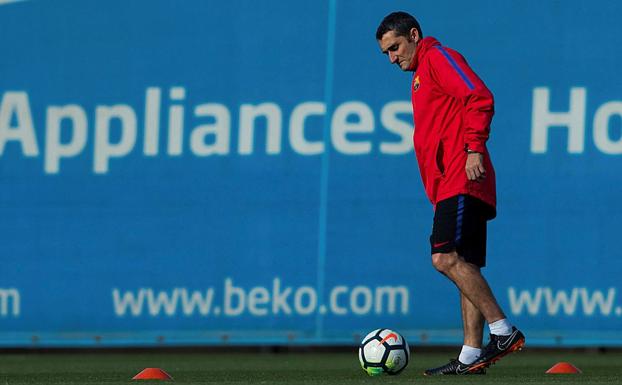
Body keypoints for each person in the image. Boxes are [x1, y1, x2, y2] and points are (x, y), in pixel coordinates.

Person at [375, 11, 525, 375]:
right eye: (386, 54)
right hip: (451, 180)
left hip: (462, 174)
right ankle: (471, 355)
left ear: (413, 35)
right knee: (464, 265)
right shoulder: (420, 75)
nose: (392, 58)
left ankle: (502, 331)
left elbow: (479, 95)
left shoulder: (437, 58)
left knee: (443, 258)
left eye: (395, 47)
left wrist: (474, 148)